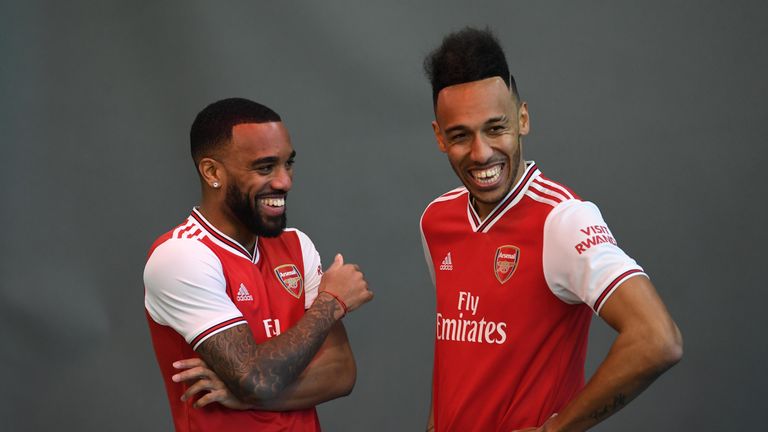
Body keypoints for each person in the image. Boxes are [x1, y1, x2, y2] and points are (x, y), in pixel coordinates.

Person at [419, 28, 683, 432]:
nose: (481, 152)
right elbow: (454, 358)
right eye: (460, 135)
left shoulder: (562, 219)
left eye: (495, 128)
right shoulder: (436, 220)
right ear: (439, 137)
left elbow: (658, 340)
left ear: (522, 118)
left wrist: (556, 429)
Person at [144, 97, 373, 431]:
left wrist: (246, 394)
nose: (284, 182)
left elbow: (341, 373)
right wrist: (331, 302)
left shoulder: (297, 245)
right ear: (212, 172)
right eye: (265, 168)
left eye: (287, 164)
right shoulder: (181, 256)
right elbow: (255, 379)